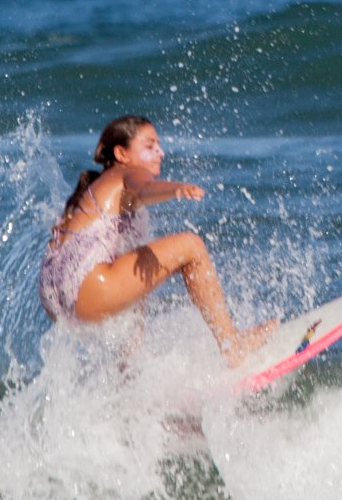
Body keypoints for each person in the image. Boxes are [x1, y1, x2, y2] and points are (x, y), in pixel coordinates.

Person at [39, 115, 276, 367]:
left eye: (159, 146)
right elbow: (143, 188)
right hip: (86, 286)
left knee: (140, 269)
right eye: (150, 146)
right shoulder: (128, 173)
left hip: (53, 295)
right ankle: (232, 345)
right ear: (122, 153)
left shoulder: (99, 189)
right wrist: (175, 189)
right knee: (191, 247)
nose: (160, 153)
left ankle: (126, 373)